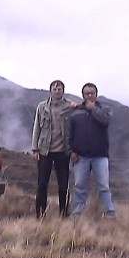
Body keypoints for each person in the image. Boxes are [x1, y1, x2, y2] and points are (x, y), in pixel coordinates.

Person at [68, 82, 116, 219]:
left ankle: (110, 212)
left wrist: (92, 109)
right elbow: (70, 134)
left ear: (96, 94)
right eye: (87, 94)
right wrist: (71, 151)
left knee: (103, 186)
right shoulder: (76, 112)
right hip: (80, 156)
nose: (89, 96)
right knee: (79, 186)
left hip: (100, 155)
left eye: (92, 93)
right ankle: (77, 213)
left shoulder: (104, 109)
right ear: (82, 95)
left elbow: (105, 121)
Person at [31, 80, 76, 218]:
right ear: (50, 90)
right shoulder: (42, 107)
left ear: (63, 91)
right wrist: (35, 149)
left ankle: (64, 214)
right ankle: (40, 214)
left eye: (60, 89)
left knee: (63, 185)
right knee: (42, 184)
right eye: (55, 89)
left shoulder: (69, 106)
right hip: (45, 151)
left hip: (63, 151)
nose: (57, 91)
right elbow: (36, 127)